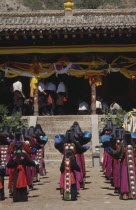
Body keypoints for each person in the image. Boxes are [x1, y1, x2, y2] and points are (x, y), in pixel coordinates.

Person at [7, 133, 36, 202]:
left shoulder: (12, 144)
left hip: (14, 168)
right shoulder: (23, 146)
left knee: (14, 181)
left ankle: (15, 196)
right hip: (23, 168)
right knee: (23, 181)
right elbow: (29, 151)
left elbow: (8, 152)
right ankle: (23, 197)